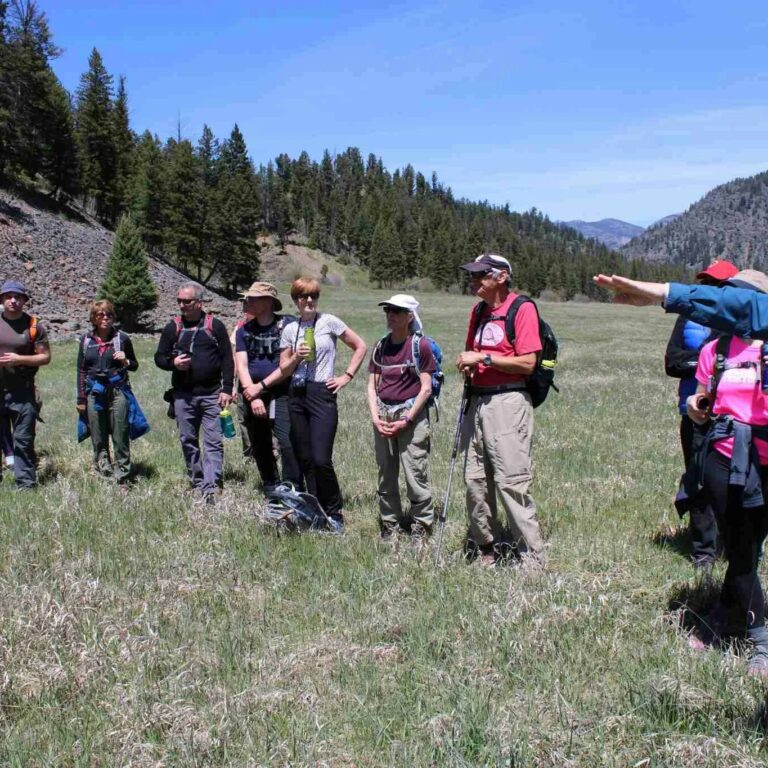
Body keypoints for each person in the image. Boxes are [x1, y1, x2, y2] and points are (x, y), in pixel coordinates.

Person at [684, 269, 768, 675]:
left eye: (737, 297)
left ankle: (725, 610)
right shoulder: (714, 350)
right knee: (739, 545)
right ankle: (759, 638)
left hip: (764, 460)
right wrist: (694, 407)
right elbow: (702, 397)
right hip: (722, 457)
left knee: (749, 547)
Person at [456, 254, 544, 566]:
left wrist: (484, 359)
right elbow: (471, 352)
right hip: (477, 401)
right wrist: (468, 364)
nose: (474, 281)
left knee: (511, 479)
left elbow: (527, 363)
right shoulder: (477, 311)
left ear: (502, 276)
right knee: (475, 480)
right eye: (472, 275)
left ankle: (531, 556)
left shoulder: (522, 309)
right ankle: (487, 548)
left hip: (508, 401)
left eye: (481, 275)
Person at [665, 260, 738, 572]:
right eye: (706, 282)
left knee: (734, 482)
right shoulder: (688, 316)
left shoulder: (740, 320)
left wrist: (705, 361)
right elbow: (672, 362)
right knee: (697, 481)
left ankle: (733, 543)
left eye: (717, 284)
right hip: (693, 412)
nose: (710, 288)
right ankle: (703, 553)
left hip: (732, 414)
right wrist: (711, 360)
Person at [279, 277, 367, 529]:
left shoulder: (329, 322)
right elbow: (283, 369)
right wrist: (297, 356)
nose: (309, 301)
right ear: (296, 300)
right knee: (305, 458)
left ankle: (334, 512)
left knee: (321, 459)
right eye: (304, 296)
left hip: (321, 393)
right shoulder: (289, 329)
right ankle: (313, 510)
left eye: (314, 296)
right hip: (296, 394)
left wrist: (346, 376)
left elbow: (360, 345)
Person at [154, 282, 234, 505]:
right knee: (188, 439)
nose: (182, 305)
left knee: (213, 441)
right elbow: (159, 357)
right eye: (179, 300)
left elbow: (228, 358)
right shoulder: (173, 328)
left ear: (199, 303)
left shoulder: (214, 326)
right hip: (183, 396)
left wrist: (227, 388)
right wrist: (173, 362)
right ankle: (197, 480)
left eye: (186, 301)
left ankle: (212, 484)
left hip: (212, 395)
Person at [367, 294, 436, 545]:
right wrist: (376, 418)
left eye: (397, 311)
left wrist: (407, 419)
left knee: (414, 471)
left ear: (410, 316)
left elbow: (426, 388)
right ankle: (389, 522)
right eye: (388, 310)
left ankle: (422, 524)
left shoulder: (421, 347)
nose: (390, 315)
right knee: (386, 471)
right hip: (384, 416)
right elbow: (372, 386)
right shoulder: (380, 347)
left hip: (412, 418)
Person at [234, 281, 302, 491]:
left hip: (282, 391)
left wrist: (261, 386)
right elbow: (242, 366)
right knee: (259, 442)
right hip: (251, 392)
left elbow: (289, 365)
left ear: (267, 302)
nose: (246, 302)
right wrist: (253, 396)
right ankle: (271, 484)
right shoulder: (243, 331)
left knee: (287, 441)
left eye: (252, 298)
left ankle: (293, 487)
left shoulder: (289, 325)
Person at [76, 300, 139, 486]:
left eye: (108, 314)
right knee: (98, 435)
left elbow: (134, 365)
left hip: (118, 390)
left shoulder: (122, 339)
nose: (104, 318)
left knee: (120, 434)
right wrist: (80, 398)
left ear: (113, 317)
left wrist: (126, 360)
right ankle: (105, 473)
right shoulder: (86, 341)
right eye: (100, 315)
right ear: (93, 318)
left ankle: (123, 478)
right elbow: (81, 370)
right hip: (94, 393)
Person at [0, 280, 51, 489]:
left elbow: (45, 357)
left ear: (24, 300)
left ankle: (26, 483)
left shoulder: (33, 326)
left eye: (18, 297)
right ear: (2, 299)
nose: (13, 300)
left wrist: (19, 360)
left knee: (23, 439)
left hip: (23, 391)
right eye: (8, 296)